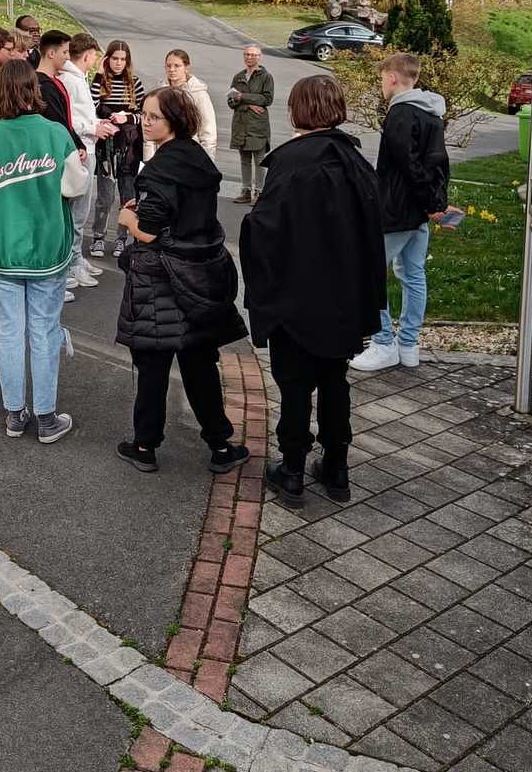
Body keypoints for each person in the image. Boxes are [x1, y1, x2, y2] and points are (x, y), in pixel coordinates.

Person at [239, 74, 387, 506]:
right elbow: (373, 236)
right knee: (334, 380)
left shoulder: (291, 162)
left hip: (297, 297)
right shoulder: (356, 162)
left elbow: (265, 231)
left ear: (297, 111)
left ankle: (292, 471)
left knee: (295, 385)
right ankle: (337, 467)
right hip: (344, 298)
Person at [115, 86, 251, 476]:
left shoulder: (160, 169)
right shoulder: (198, 160)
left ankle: (145, 446)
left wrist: (129, 219)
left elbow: (150, 231)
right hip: (200, 274)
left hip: (161, 277)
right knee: (199, 365)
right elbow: (185, 212)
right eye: (144, 115)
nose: (146, 122)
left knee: (153, 365)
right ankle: (220, 446)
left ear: (175, 120)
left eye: (154, 116)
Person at [0, 59, 87, 443]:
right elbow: (75, 187)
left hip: (2, 250)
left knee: (8, 332)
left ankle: (15, 413)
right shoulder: (56, 134)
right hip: (47, 249)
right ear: (34, 90)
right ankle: (46, 416)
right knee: (45, 330)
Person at [350, 52, 450, 373]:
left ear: (392, 77)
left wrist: (432, 205)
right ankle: (408, 345)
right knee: (413, 273)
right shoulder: (432, 112)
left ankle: (383, 343)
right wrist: (435, 203)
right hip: (418, 212)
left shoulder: (400, 113)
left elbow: (409, 167)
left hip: (396, 211)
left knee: (369, 271)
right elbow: (438, 164)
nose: (382, 84)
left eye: (382, 78)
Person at [59, 33, 115, 288]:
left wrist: (97, 124)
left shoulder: (78, 78)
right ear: (88, 54)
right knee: (77, 212)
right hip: (80, 148)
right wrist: (93, 128)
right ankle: (70, 263)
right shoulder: (70, 80)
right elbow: (69, 119)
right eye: (94, 55)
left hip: (87, 145)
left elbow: (81, 114)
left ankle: (76, 258)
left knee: (81, 211)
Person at [91, 39, 145, 259]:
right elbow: (91, 107)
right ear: (107, 59)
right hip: (106, 147)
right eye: (114, 58)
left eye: (123, 59)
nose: (118, 63)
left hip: (129, 147)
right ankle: (98, 237)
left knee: (127, 196)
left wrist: (127, 117)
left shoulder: (135, 83)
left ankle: (122, 239)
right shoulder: (100, 82)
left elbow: (143, 115)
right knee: (105, 196)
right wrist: (97, 75)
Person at [228, 43, 274, 204]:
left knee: (259, 161)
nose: (250, 57)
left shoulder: (266, 77)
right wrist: (248, 104)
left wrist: (243, 97)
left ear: (259, 57)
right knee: (244, 160)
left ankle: (260, 193)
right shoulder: (238, 77)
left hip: (258, 125)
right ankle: (246, 191)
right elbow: (231, 101)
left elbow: (267, 99)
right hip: (240, 124)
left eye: (253, 55)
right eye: (247, 54)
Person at [157, 49, 217, 160]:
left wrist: (207, 162)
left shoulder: (199, 94)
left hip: (189, 155)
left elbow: (208, 132)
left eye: (177, 66)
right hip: (163, 154)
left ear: (186, 68)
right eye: (168, 66)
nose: (172, 69)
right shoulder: (159, 94)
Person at [35, 30, 84, 152]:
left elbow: (66, 119)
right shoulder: (43, 85)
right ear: (51, 53)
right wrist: (73, 147)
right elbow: (57, 121)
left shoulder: (55, 81)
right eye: (65, 52)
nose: (68, 57)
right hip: (55, 149)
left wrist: (79, 144)